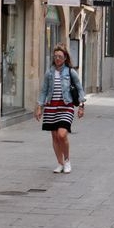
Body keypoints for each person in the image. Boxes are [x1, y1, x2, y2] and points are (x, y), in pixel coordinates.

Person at [36, 45, 86, 174]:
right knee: (54, 136)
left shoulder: (70, 72)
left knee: (62, 134)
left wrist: (81, 107)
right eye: (56, 56)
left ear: (65, 58)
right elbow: (44, 90)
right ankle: (60, 163)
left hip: (66, 106)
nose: (57, 58)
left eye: (60, 56)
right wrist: (39, 107)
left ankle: (67, 160)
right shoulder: (49, 72)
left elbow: (80, 89)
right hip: (51, 106)